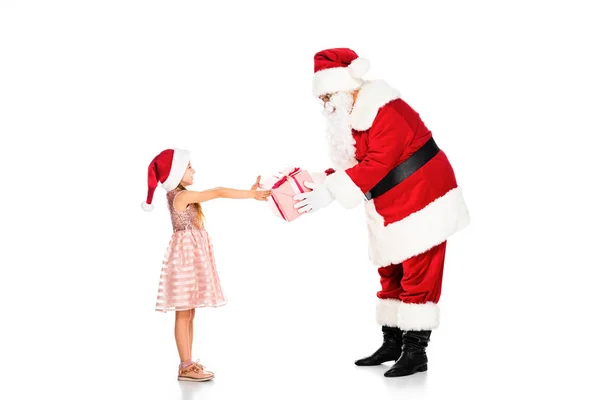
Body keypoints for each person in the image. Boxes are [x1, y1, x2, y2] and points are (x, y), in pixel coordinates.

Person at [293, 48, 470, 377]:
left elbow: (378, 163)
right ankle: (392, 343)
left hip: (423, 196)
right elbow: (356, 165)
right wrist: (315, 182)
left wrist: (331, 194)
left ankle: (416, 353)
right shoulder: (355, 118)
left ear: (348, 87)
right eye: (322, 97)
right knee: (391, 271)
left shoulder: (384, 110)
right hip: (389, 201)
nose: (325, 103)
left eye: (329, 94)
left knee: (419, 271)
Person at [141, 148, 271, 382]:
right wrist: (252, 194)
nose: (193, 170)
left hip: (191, 258)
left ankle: (188, 362)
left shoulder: (182, 195)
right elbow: (218, 192)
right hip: (184, 260)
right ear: (176, 172)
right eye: (189, 166)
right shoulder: (180, 196)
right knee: (183, 313)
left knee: (189, 313)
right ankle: (185, 366)